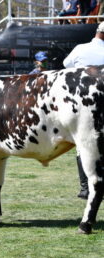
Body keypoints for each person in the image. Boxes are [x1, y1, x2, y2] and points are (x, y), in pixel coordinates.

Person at [63, 22, 104, 199]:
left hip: (81, 104)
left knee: (83, 145)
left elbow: (66, 65)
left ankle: (85, 187)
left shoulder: (80, 48)